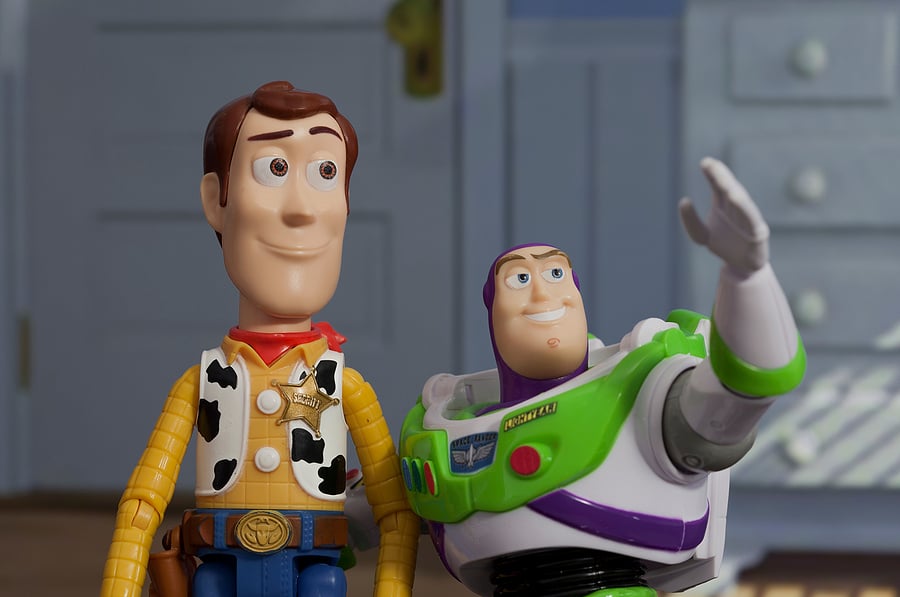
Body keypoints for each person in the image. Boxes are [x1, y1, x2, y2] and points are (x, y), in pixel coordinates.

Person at [400, 158, 806, 596]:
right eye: (519, 278)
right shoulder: (447, 418)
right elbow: (376, 513)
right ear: (492, 311)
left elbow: (740, 390)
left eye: (556, 273)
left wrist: (747, 279)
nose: (542, 292)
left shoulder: (642, 392)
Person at [101, 80, 419, 597]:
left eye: (325, 172)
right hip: (219, 571)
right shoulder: (204, 381)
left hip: (316, 572)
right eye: (273, 168)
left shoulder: (343, 384)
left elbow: (396, 515)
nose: (302, 209)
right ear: (216, 201)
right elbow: (142, 503)